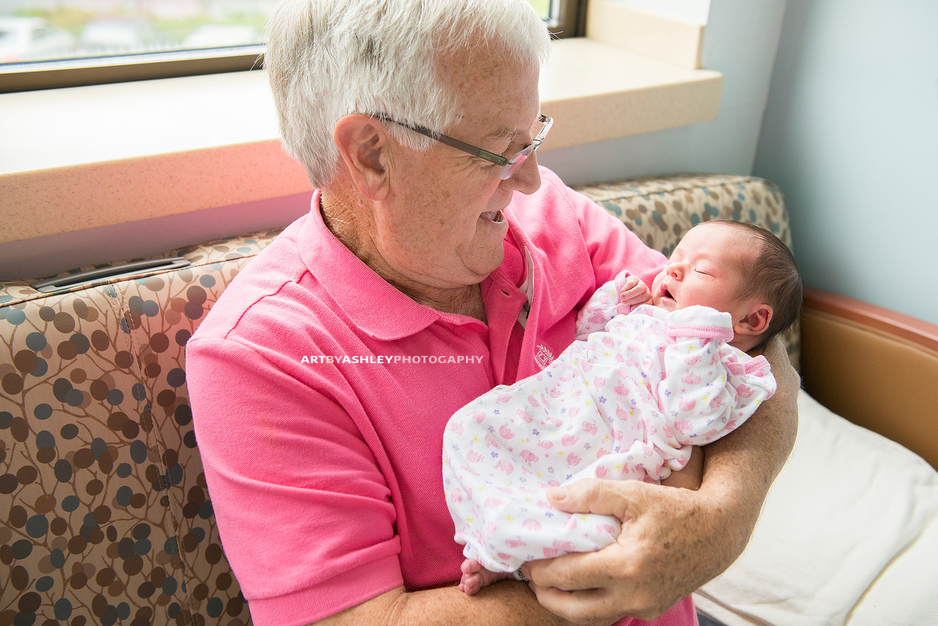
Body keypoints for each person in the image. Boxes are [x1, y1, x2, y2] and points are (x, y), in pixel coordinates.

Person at [184, 0, 800, 624]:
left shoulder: (548, 214)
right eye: (501, 148)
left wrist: (721, 518)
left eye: (532, 137)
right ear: (372, 153)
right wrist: (606, 566)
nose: (531, 178)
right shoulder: (265, 357)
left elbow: (747, 337)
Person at [444, 220, 802, 595]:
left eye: (700, 270)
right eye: (676, 256)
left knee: (588, 510)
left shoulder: (726, 366)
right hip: (564, 408)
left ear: (752, 319)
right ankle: (494, 540)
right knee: (472, 428)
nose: (672, 268)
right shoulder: (650, 313)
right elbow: (586, 333)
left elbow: (696, 421)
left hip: (620, 445)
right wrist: (615, 299)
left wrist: (696, 338)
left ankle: (514, 563)